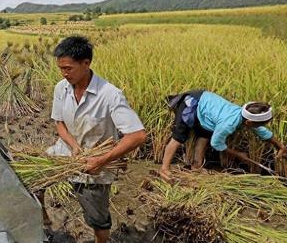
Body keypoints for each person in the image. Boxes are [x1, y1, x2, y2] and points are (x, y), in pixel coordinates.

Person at [47, 36, 147, 243]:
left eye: (68, 68)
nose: (64, 73)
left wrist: (101, 161)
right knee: (31, 179)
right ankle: (44, 220)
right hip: (66, 152)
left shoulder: (110, 95)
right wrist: (73, 146)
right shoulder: (61, 88)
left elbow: (137, 135)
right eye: (61, 68)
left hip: (95, 166)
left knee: (97, 218)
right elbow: (59, 123)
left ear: (86, 63)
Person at [159, 90, 287, 182]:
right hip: (191, 104)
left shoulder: (245, 115)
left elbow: (262, 131)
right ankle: (164, 169)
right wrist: (238, 154)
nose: (260, 127)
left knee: (205, 134)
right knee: (178, 137)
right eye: (259, 124)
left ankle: (196, 166)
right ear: (248, 122)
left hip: (206, 108)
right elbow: (217, 144)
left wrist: (280, 146)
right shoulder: (228, 124)